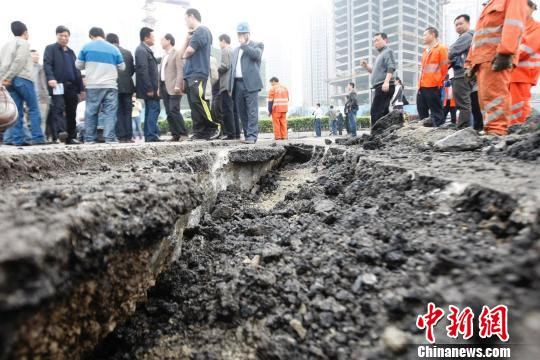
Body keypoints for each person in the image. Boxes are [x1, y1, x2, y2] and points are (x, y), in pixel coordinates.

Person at [465, 0, 527, 136]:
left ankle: (497, 132)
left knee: (495, 97)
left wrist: (506, 52)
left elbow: (514, 24)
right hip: (483, 60)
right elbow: (478, 36)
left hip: (496, 57)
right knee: (485, 100)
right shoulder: (489, 4)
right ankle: (490, 130)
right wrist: (470, 62)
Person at [0, 21, 46, 146]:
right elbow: (19, 61)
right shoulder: (24, 43)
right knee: (34, 108)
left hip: (9, 82)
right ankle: (38, 137)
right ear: (25, 32)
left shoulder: (5, 46)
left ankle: (18, 140)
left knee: (17, 111)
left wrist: (3, 79)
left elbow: (1, 65)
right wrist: (9, 76)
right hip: (23, 78)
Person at [76, 27, 125, 144]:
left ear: (91, 36)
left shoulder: (86, 47)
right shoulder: (113, 49)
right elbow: (122, 67)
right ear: (103, 35)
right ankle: (110, 138)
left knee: (91, 111)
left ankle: (89, 139)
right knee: (110, 112)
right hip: (110, 85)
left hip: (93, 85)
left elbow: (78, 65)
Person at [181, 8, 219, 141]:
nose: (185, 22)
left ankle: (213, 127)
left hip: (198, 72)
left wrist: (186, 51)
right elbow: (182, 54)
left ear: (191, 16)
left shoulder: (202, 30)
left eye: (186, 19)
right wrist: (187, 39)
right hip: (190, 73)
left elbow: (188, 52)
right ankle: (199, 131)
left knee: (199, 99)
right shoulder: (194, 34)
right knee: (193, 103)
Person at [43, 25, 84, 145]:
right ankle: (60, 133)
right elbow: (47, 65)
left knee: (72, 111)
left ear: (69, 37)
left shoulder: (71, 52)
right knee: (58, 108)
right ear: (57, 36)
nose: (63, 38)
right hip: (58, 85)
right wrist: (51, 78)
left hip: (72, 86)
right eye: (61, 35)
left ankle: (70, 137)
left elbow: (77, 70)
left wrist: (81, 88)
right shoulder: (50, 49)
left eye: (66, 36)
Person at [229, 22, 265, 144]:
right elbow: (232, 69)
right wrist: (230, 87)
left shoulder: (257, 45)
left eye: (243, 33)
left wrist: (244, 45)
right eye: (239, 34)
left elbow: (256, 56)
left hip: (251, 84)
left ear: (248, 34)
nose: (241, 36)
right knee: (242, 111)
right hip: (237, 84)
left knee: (252, 111)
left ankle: (252, 136)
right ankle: (247, 135)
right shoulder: (235, 51)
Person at [509, 0, 540, 126]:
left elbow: (526, 49)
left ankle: (519, 132)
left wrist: (506, 54)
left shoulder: (536, 27)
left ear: (532, 8)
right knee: (515, 105)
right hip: (513, 72)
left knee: (519, 106)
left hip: (523, 73)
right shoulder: (519, 27)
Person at [360, 32, 396, 127]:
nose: (375, 43)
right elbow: (374, 72)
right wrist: (366, 66)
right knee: (384, 113)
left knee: (375, 112)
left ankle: (375, 136)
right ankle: (385, 135)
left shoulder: (388, 51)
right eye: (374, 41)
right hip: (381, 86)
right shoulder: (380, 55)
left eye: (377, 40)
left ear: (385, 40)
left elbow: (391, 66)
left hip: (384, 86)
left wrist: (386, 81)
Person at [106, 33, 136, 143]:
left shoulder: (109, 52)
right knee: (128, 112)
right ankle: (129, 136)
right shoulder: (127, 52)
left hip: (114, 85)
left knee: (118, 112)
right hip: (128, 86)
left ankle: (121, 137)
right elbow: (132, 70)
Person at [160, 33, 189, 141]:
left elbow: (180, 70)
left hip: (174, 86)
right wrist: (159, 87)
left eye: (162, 40)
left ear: (168, 40)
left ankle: (183, 133)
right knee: (168, 111)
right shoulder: (164, 55)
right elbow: (162, 73)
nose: (160, 42)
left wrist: (178, 85)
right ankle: (175, 134)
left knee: (174, 109)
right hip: (164, 86)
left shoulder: (176, 53)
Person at [418, 27, 449, 128]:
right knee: (421, 110)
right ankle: (425, 130)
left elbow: (444, 67)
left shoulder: (441, 48)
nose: (423, 37)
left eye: (425, 35)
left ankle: (438, 131)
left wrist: (439, 82)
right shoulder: (425, 51)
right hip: (422, 86)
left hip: (433, 85)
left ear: (433, 35)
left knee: (436, 112)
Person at [135, 27, 161, 142]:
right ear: (146, 37)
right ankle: (151, 135)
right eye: (152, 36)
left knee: (151, 109)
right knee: (154, 108)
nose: (154, 39)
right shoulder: (141, 50)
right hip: (150, 88)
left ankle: (149, 134)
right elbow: (143, 70)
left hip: (151, 87)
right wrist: (149, 88)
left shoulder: (145, 50)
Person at [448, 14, 474, 129]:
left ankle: (463, 127)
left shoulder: (467, 36)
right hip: (460, 73)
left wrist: (450, 52)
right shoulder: (463, 37)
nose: (458, 26)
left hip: (462, 73)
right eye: (456, 25)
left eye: (460, 24)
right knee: (462, 102)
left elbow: (452, 51)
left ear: (468, 24)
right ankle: (465, 126)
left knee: (463, 102)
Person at [218, 34, 236, 140]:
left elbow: (225, 66)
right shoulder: (233, 51)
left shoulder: (225, 50)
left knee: (226, 110)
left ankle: (230, 134)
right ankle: (235, 133)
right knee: (232, 110)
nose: (219, 44)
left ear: (223, 41)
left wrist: (217, 69)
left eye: (220, 42)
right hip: (231, 84)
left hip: (225, 84)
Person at [30, 50, 49, 132]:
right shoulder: (25, 69)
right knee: (29, 119)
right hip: (29, 96)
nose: (36, 56)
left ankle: (41, 136)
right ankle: (31, 137)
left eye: (37, 55)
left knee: (42, 117)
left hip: (42, 96)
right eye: (33, 54)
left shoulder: (43, 68)